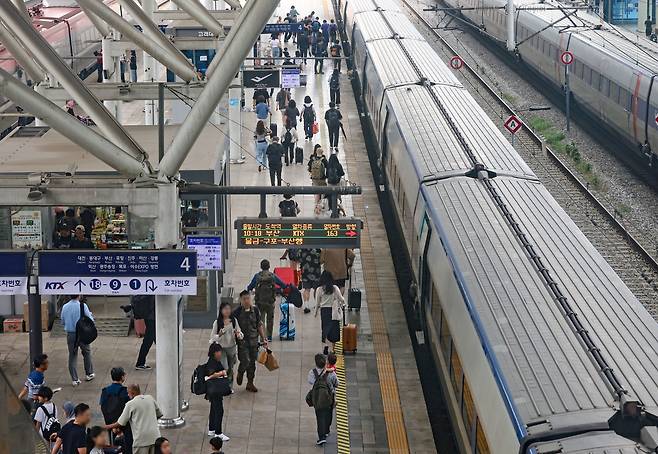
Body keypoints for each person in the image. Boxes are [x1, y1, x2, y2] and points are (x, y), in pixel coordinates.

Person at [106, 384, 162, 454]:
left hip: (141, 441)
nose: (128, 395)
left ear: (132, 393)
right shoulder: (150, 398)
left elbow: (120, 423)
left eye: (128, 393)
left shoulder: (130, 404)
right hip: (155, 437)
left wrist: (107, 426)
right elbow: (159, 414)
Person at [233, 290, 269, 392]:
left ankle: (250, 383)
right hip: (242, 343)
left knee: (252, 364)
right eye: (244, 299)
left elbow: (259, 325)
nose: (246, 301)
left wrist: (263, 338)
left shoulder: (256, 310)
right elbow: (233, 328)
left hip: (254, 342)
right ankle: (240, 372)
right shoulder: (236, 313)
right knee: (245, 361)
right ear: (240, 300)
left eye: (248, 298)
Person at [247, 259, 290, 340]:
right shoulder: (273, 276)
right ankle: (269, 336)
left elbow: (250, 287)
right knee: (270, 319)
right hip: (270, 302)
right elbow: (283, 285)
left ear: (261, 267)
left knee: (260, 319)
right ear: (269, 267)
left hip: (259, 302)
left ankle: (262, 337)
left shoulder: (257, 276)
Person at [61, 295, 95, 386]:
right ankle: (89, 373)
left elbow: (62, 321)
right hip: (82, 334)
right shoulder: (83, 306)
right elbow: (90, 320)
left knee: (72, 355)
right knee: (86, 352)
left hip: (71, 334)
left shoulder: (65, 307)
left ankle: (74, 379)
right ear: (79, 296)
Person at [307, 354, 339, 446]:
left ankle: (321, 437)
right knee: (328, 414)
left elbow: (310, 381)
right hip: (329, 397)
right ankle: (326, 430)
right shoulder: (331, 373)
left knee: (319, 416)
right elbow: (337, 383)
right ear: (325, 362)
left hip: (317, 398)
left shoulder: (312, 373)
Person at [209, 301, 242, 388]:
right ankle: (222, 385)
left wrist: (238, 335)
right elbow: (212, 338)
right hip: (221, 348)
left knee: (230, 368)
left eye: (228, 309)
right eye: (225, 309)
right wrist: (219, 335)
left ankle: (229, 386)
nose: (227, 311)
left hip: (231, 347)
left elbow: (240, 333)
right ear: (221, 310)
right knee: (225, 367)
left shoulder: (234, 321)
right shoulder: (217, 323)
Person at [100, 367, 132, 451]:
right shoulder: (125, 391)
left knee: (114, 447)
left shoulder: (105, 391)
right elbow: (129, 408)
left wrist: (111, 423)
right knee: (127, 447)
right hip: (124, 425)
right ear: (122, 377)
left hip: (111, 426)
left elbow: (103, 407)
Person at [314, 271, 345, 355]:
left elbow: (317, 303)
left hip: (324, 312)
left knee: (325, 329)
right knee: (334, 330)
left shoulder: (319, 289)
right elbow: (341, 299)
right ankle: (333, 349)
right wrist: (342, 303)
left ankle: (326, 346)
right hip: (334, 311)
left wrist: (315, 312)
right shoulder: (335, 288)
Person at [205, 344, 230, 441]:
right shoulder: (212, 362)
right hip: (215, 390)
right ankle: (218, 432)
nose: (220, 353)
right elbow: (210, 375)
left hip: (214, 390)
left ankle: (212, 429)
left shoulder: (215, 361)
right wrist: (221, 373)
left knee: (213, 409)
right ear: (214, 352)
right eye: (219, 351)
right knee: (219, 410)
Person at [132, 295, 156, 370]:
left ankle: (140, 362)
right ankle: (140, 363)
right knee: (149, 340)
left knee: (150, 340)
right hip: (152, 317)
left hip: (149, 316)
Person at [298, 248, 321, 314]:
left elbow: (299, 259)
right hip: (316, 271)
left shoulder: (303, 249)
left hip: (305, 271)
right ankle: (317, 305)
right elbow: (321, 259)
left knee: (307, 289)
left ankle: (306, 305)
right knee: (316, 289)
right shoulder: (318, 249)